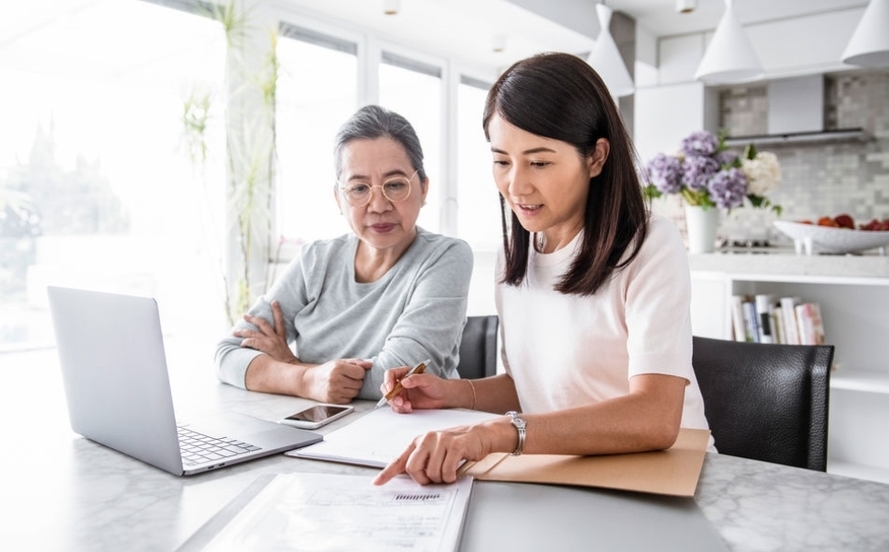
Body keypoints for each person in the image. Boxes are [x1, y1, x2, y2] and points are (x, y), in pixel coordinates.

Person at [374, 52, 713, 486]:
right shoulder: (515, 253)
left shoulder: (649, 244)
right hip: (566, 470)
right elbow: (534, 387)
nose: (516, 185)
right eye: (502, 161)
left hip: (663, 476)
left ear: (596, 157)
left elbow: (655, 416)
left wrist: (498, 433)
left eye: (539, 162)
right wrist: (451, 393)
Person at [215, 105, 473, 403]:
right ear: (339, 198)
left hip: (414, 436)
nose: (378, 204)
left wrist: (293, 367)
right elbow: (227, 354)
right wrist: (306, 379)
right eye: (359, 188)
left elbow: (398, 379)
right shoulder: (316, 260)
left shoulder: (447, 257)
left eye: (395, 185)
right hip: (317, 433)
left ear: (424, 188)